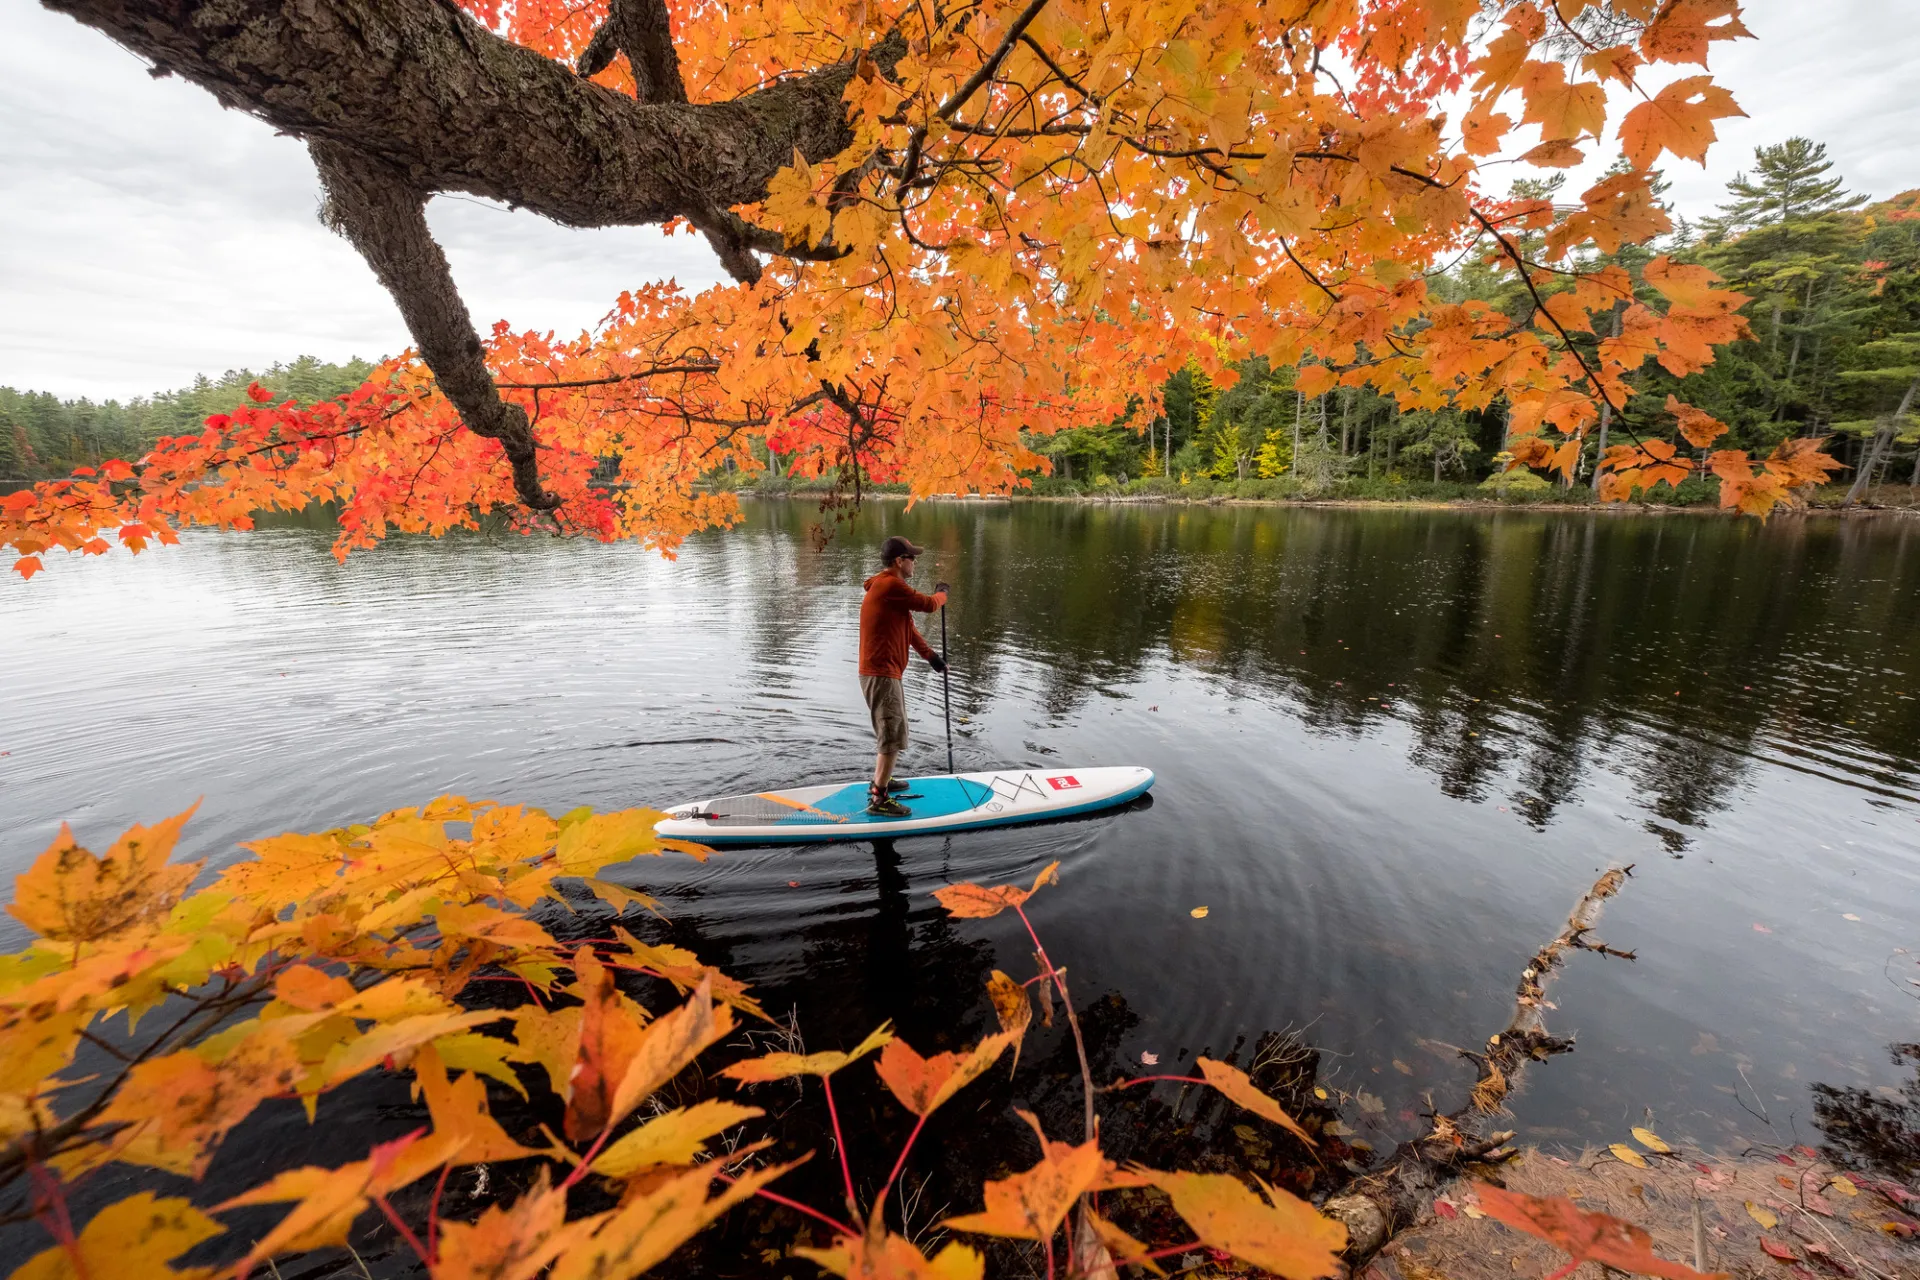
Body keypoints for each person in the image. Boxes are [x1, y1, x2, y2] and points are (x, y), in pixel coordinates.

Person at [858, 535, 948, 816]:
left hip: (884, 673)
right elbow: (929, 604)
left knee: (892, 730)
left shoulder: (888, 589)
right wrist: (943, 594)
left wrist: (931, 657)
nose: (915, 563)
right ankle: (879, 798)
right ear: (899, 561)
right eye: (912, 558)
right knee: (892, 734)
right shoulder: (890, 585)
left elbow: (908, 630)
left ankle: (882, 780)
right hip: (881, 673)